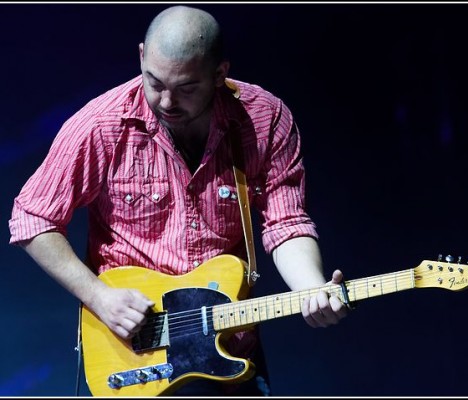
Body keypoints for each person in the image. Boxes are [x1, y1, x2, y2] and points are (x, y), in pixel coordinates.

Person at [8, 5, 348, 396]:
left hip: (229, 350)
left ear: (220, 74)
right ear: (141, 56)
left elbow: (286, 223)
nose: (166, 101)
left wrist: (311, 289)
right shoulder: (100, 125)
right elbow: (32, 217)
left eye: (186, 88)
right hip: (132, 353)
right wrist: (98, 297)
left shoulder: (263, 119)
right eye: (154, 82)